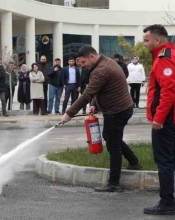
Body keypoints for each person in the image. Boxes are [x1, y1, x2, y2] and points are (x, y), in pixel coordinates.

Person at [60, 45, 142, 193]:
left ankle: (114, 183)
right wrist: (94, 105)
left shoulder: (100, 70)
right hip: (120, 108)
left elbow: (87, 94)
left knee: (113, 145)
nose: (83, 66)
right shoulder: (104, 62)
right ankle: (134, 162)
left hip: (117, 111)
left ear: (92, 57)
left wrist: (69, 113)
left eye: (84, 62)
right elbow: (99, 91)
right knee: (111, 137)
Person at [142, 24, 175, 215]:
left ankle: (166, 203)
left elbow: (168, 91)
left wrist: (159, 117)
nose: (145, 44)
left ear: (158, 40)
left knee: (164, 161)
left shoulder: (164, 58)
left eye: (147, 40)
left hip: (167, 118)